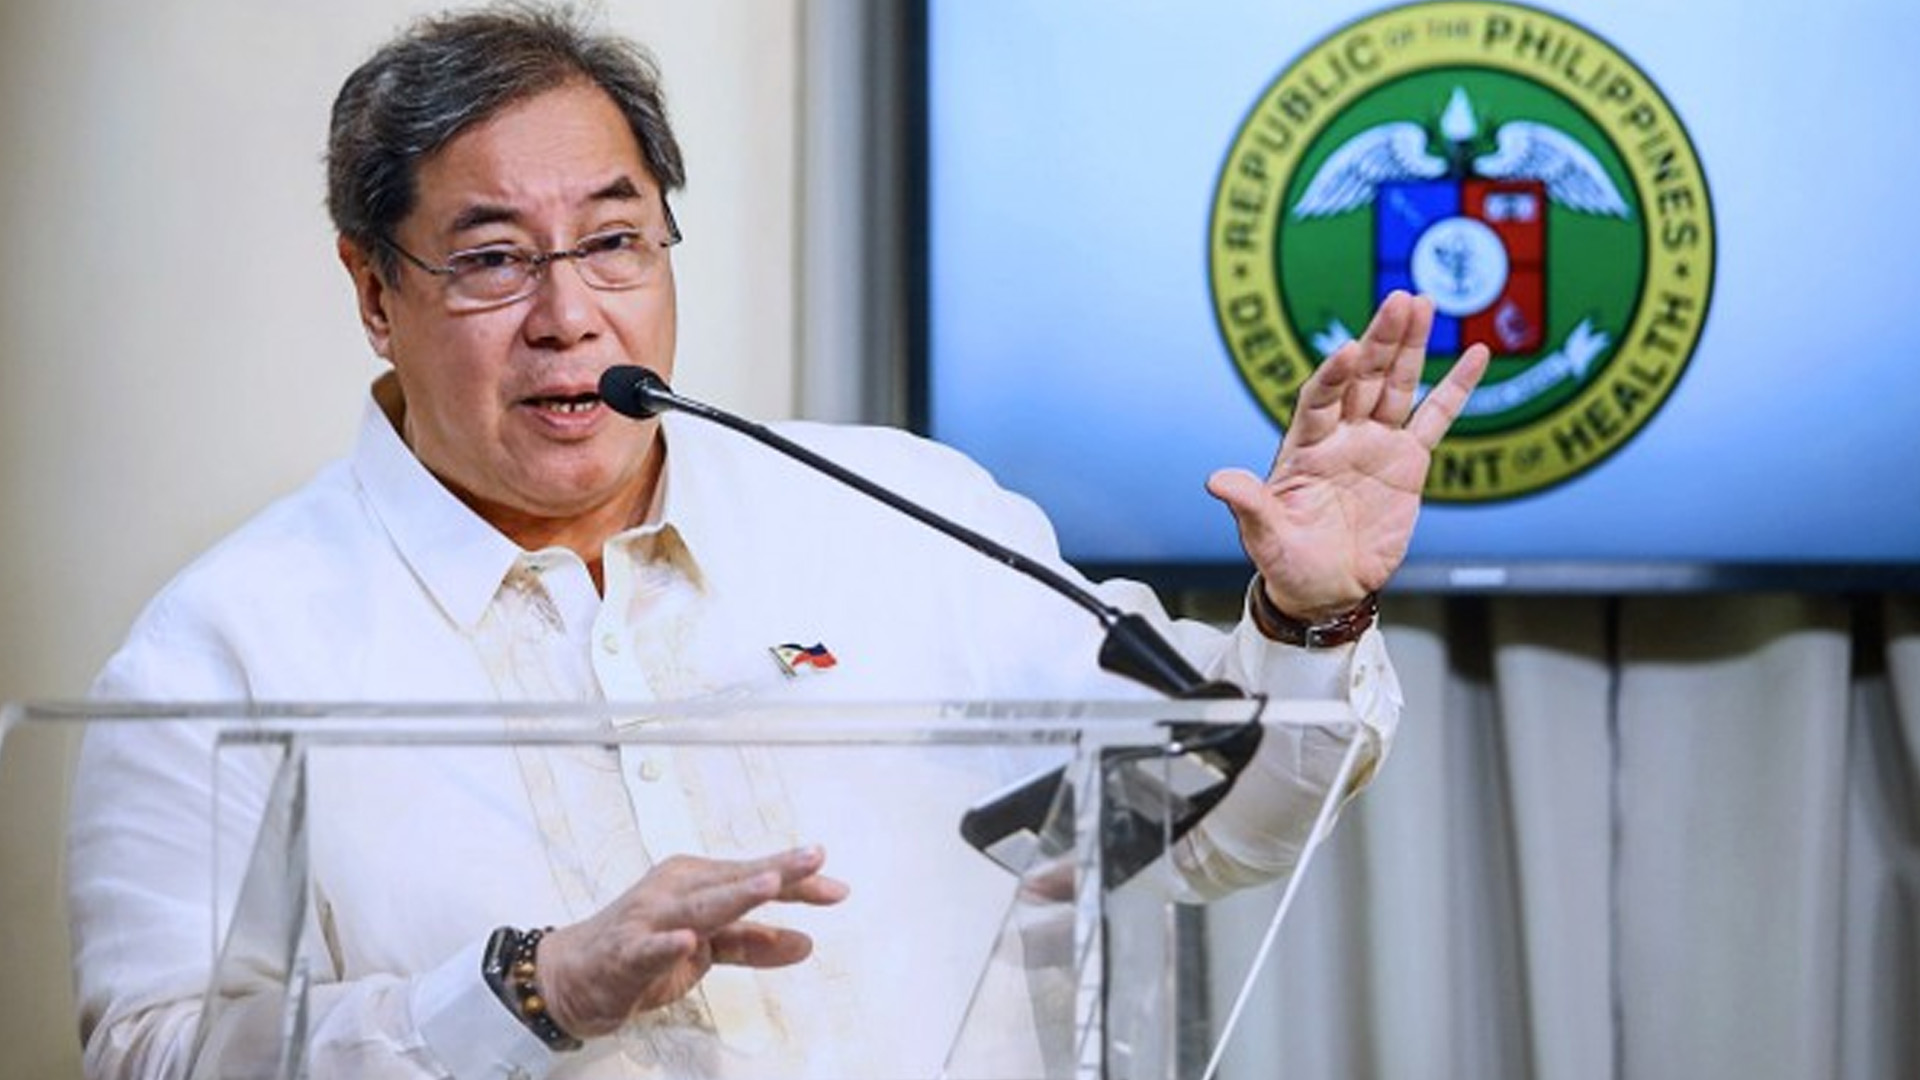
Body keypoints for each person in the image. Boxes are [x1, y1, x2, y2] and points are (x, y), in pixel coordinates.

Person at [65, 6, 1489, 1080]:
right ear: (375, 293)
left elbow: (1200, 826)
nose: (570, 316)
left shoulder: (897, 515)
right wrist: (531, 987)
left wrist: (1304, 621)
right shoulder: (228, 648)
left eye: (615, 242)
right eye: (493, 258)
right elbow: (158, 1051)